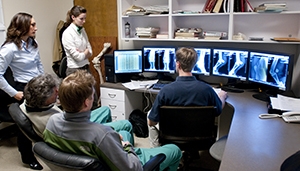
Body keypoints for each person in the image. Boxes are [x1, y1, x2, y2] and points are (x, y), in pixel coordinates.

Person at [43, 70, 182, 171]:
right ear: (86, 103)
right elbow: (134, 169)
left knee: (125, 131)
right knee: (174, 150)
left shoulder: (52, 121)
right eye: (92, 95)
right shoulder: (101, 134)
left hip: (93, 158)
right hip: (131, 165)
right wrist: (127, 147)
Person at [147, 47, 228, 148]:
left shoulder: (165, 91)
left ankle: (157, 152)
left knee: (150, 114)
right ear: (194, 64)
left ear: (178, 64)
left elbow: (151, 122)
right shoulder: (207, 89)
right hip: (199, 136)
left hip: (172, 135)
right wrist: (222, 97)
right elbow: (218, 110)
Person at [21, 73, 134, 143]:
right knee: (126, 126)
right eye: (55, 93)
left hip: (71, 119)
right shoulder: (50, 121)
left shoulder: (27, 103)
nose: (57, 92)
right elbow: (77, 132)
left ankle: (110, 140)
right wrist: (102, 131)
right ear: (44, 100)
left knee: (105, 110)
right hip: (77, 127)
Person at [0, 12, 44, 170]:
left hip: (37, 86)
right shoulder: (9, 49)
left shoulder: (32, 43)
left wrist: (45, 83)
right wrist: (14, 93)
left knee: (41, 120)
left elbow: (38, 64)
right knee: (24, 125)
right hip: (22, 88)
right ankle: (27, 157)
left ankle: (44, 150)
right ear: (22, 26)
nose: (35, 28)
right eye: (32, 25)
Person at [62, 5, 92, 76]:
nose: (84, 21)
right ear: (73, 17)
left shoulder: (82, 30)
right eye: (81, 19)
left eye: (85, 18)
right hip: (74, 71)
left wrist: (83, 52)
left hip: (86, 68)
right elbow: (78, 57)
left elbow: (90, 51)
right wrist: (85, 53)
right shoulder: (67, 33)